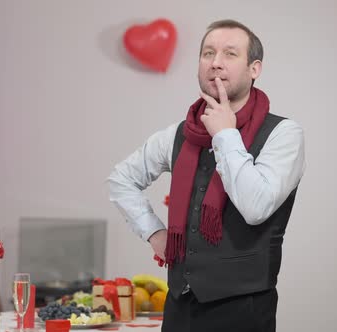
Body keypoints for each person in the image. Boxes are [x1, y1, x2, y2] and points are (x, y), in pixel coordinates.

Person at [107, 19, 305, 332]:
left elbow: (256, 209)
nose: (215, 63)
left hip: (245, 311)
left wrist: (225, 135)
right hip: (179, 308)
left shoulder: (284, 134)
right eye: (207, 53)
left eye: (229, 54)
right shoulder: (179, 133)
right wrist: (154, 232)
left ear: (255, 69)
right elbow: (121, 180)